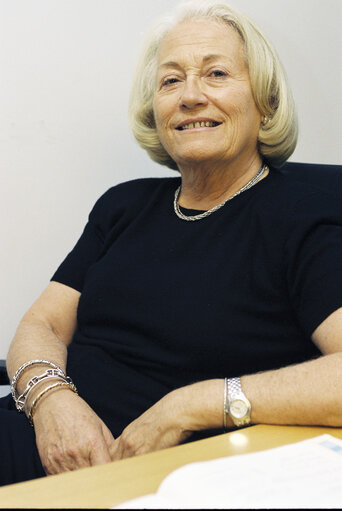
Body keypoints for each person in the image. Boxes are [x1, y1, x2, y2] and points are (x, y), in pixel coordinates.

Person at [1, 0, 342, 486]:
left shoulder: (303, 215)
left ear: (265, 104)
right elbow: (42, 323)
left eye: (216, 73)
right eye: (170, 80)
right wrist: (52, 401)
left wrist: (191, 404)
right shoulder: (123, 206)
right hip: (41, 435)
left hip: (153, 475)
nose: (190, 96)